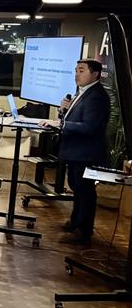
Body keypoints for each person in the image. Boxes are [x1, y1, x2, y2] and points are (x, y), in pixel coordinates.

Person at [42, 59, 110, 246]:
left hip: (86, 152)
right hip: (74, 151)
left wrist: (62, 124)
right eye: (75, 70)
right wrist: (64, 110)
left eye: (81, 70)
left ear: (95, 74)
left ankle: (83, 230)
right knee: (76, 186)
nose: (76, 74)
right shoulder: (83, 93)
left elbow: (90, 127)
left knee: (85, 190)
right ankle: (75, 221)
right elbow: (74, 120)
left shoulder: (97, 96)